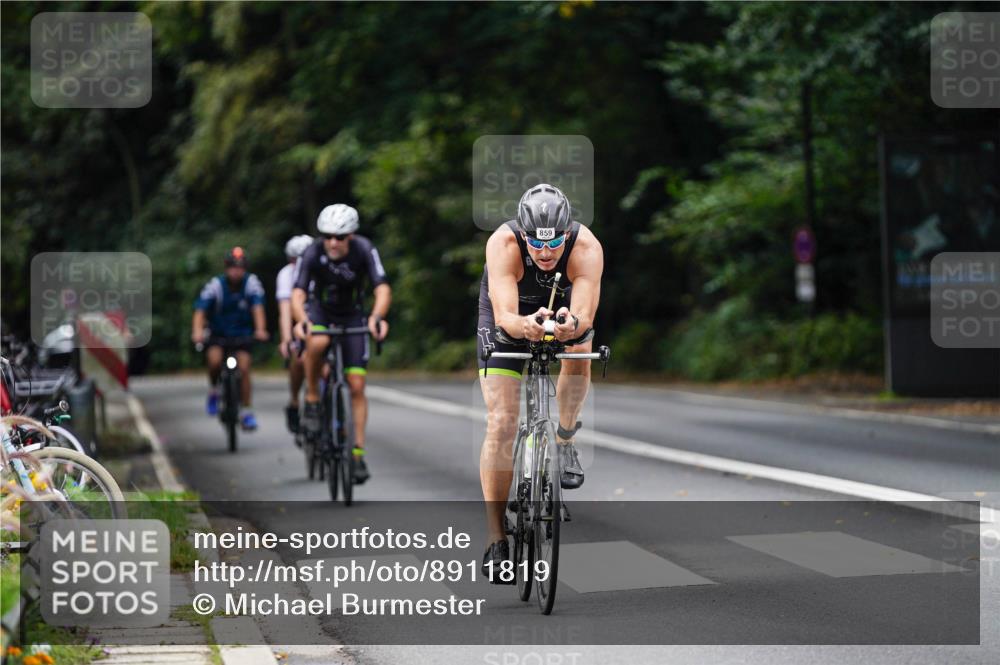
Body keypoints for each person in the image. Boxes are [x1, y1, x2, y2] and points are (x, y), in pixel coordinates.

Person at [476, 184, 604, 581]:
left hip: (563, 316)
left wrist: (571, 325)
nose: (545, 253)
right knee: (501, 423)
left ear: (567, 234)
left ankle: (564, 440)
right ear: (524, 234)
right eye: (536, 243)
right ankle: (498, 540)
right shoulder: (503, 243)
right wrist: (525, 325)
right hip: (511, 317)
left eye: (554, 244)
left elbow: (583, 314)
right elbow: (505, 317)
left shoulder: (586, 248)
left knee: (580, 352)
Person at [291, 204, 391, 484]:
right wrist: (301, 320)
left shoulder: (364, 249)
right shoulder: (313, 251)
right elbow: (298, 292)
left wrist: (377, 316)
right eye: (328, 236)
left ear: (352, 236)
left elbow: (381, 287)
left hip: (353, 315)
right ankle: (312, 399)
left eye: (341, 237)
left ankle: (357, 454)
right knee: (318, 340)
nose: (333, 242)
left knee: (357, 385)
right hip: (320, 311)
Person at [191, 247, 269, 430]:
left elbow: (258, 308)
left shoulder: (251, 284)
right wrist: (197, 332)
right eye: (233, 267)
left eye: (240, 267)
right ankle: (213, 390)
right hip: (218, 334)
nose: (236, 271)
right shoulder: (215, 285)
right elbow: (200, 310)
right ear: (226, 269)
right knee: (214, 360)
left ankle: (247, 411)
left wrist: (261, 330)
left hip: (242, 335)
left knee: (244, 367)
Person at [276, 234, 314, 434]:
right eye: (294, 260)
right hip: (297, 323)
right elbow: (284, 311)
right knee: (298, 360)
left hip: (319, 321)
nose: (298, 264)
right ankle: (294, 401)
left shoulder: (320, 268)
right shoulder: (285, 275)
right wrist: (286, 339)